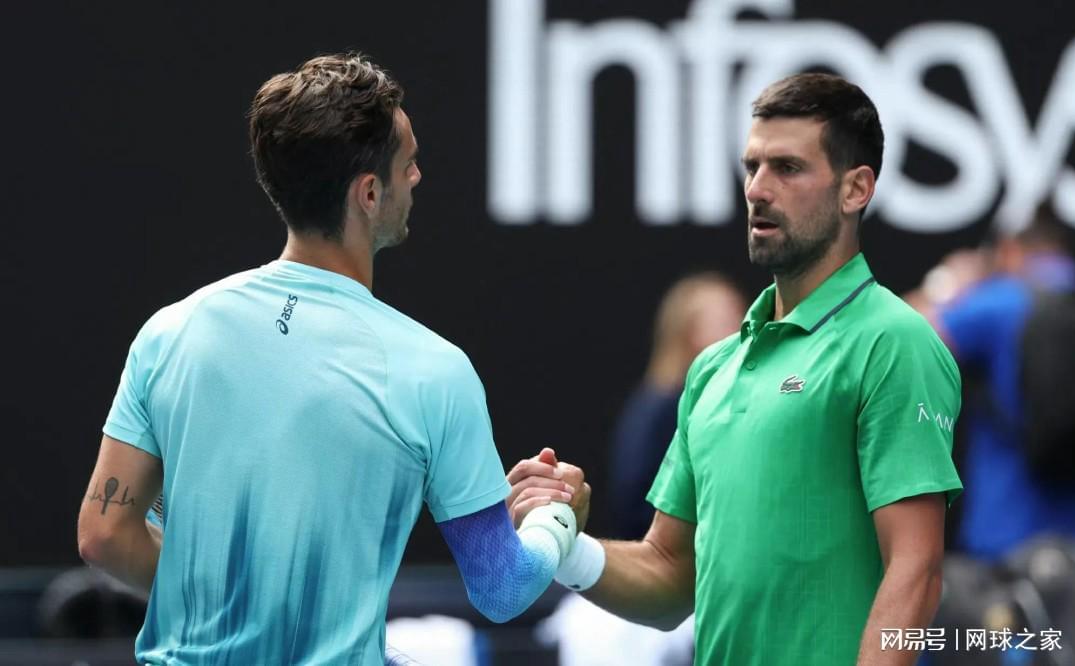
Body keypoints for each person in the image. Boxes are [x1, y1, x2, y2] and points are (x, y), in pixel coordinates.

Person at [76, 53, 584, 665]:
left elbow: (104, 535)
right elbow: (502, 586)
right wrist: (556, 518)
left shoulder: (170, 332)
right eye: (408, 162)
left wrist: (240, 613)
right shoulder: (434, 370)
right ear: (368, 193)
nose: (418, 176)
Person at [508, 73, 964, 665]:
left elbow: (916, 570)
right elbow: (670, 574)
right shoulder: (712, 369)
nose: (757, 189)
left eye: (788, 168)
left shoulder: (894, 342)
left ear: (856, 189)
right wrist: (565, 545)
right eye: (752, 167)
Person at [908, 205, 1075, 559]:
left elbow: (894, 338)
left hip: (1006, 538)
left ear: (1009, 250)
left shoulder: (1002, 301)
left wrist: (946, 285)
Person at [609, 272, 745, 539]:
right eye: (725, 321)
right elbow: (635, 503)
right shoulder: (662, 409)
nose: (740, 329)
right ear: (687, 333)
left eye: (740, 316)